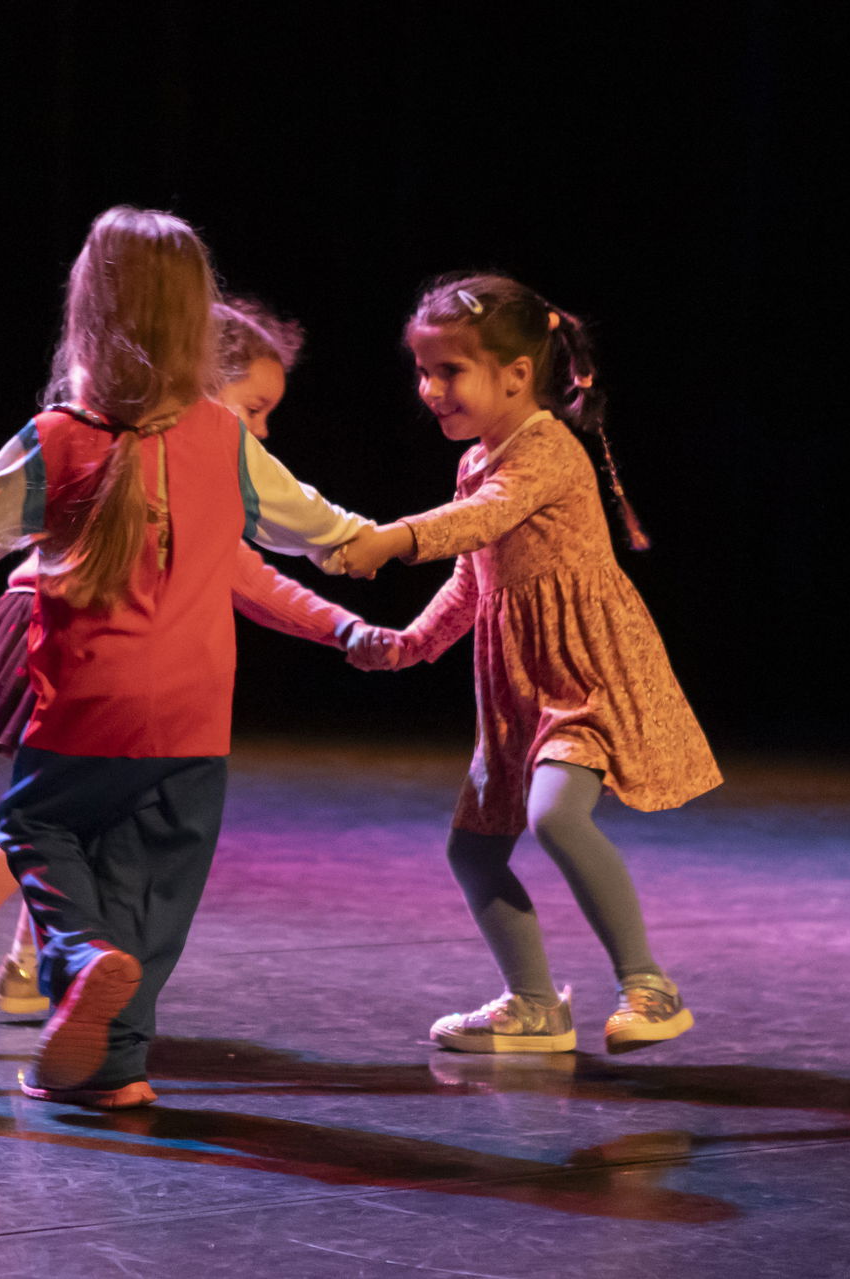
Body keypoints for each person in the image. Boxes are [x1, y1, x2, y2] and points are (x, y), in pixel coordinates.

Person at [0, 208, 381, 1107]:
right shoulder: (222, 437)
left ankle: (80, 956)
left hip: (87, 706)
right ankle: (113, 1067)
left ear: (89, 307)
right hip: (198, 720)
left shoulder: (56, 439)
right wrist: (433, 540)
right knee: (150, 888)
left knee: (36, 831)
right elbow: (333, 535)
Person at [339, 272, 721, 1055]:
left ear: (517, 375)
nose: (430, 388)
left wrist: (394, 536)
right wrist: (411, 641)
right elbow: (472, 575)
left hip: (582, 672)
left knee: (554, 814)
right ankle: (535, 1005)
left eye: (450, 371)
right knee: (473, 849)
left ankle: (650, 984)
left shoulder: (545, 448)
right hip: (515, 685)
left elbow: (480, 519)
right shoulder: (477, 458)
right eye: (424, 370)